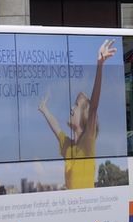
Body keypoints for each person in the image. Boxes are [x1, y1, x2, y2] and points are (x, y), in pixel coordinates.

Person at [37, 39, 116, 189]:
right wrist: (44, 109)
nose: (71, 108)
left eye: (76, 106)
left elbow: (93, 107)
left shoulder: (87, 142)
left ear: (84, 118)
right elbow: (56, 127)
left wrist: (99, 65)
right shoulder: (67, 145)